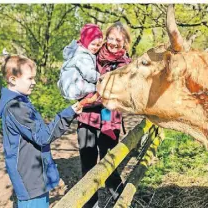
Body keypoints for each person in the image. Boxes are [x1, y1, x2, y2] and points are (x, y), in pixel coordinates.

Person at [0, 55, 81, 208]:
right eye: (30, 78)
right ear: (13, 79)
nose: (34, 82)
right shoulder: (17, 108)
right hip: (30, 176)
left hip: (34, 172)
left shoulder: (21, 102)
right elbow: (43, 137)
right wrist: (69, 113)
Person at [76, 21, 132, 208]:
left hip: (109, 114)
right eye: (111, 38)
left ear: (125, 42)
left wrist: (96, 97)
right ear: (105, 38)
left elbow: (121, 94)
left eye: (119, 39)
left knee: (109, 158)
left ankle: (119, 199)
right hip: (87, 116)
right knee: (87, 160)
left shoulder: (126, 64)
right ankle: (90, 203)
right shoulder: (92, 55)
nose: (114, 42)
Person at [57, 23, 103, 109]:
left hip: (66, 85)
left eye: (98, 45)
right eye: (93, 44)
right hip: (75, 87)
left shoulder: (76, 50)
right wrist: (102, 78)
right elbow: (89, 74)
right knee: (98, 89)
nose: (96, 47)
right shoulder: (83, 55)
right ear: (86, 41)